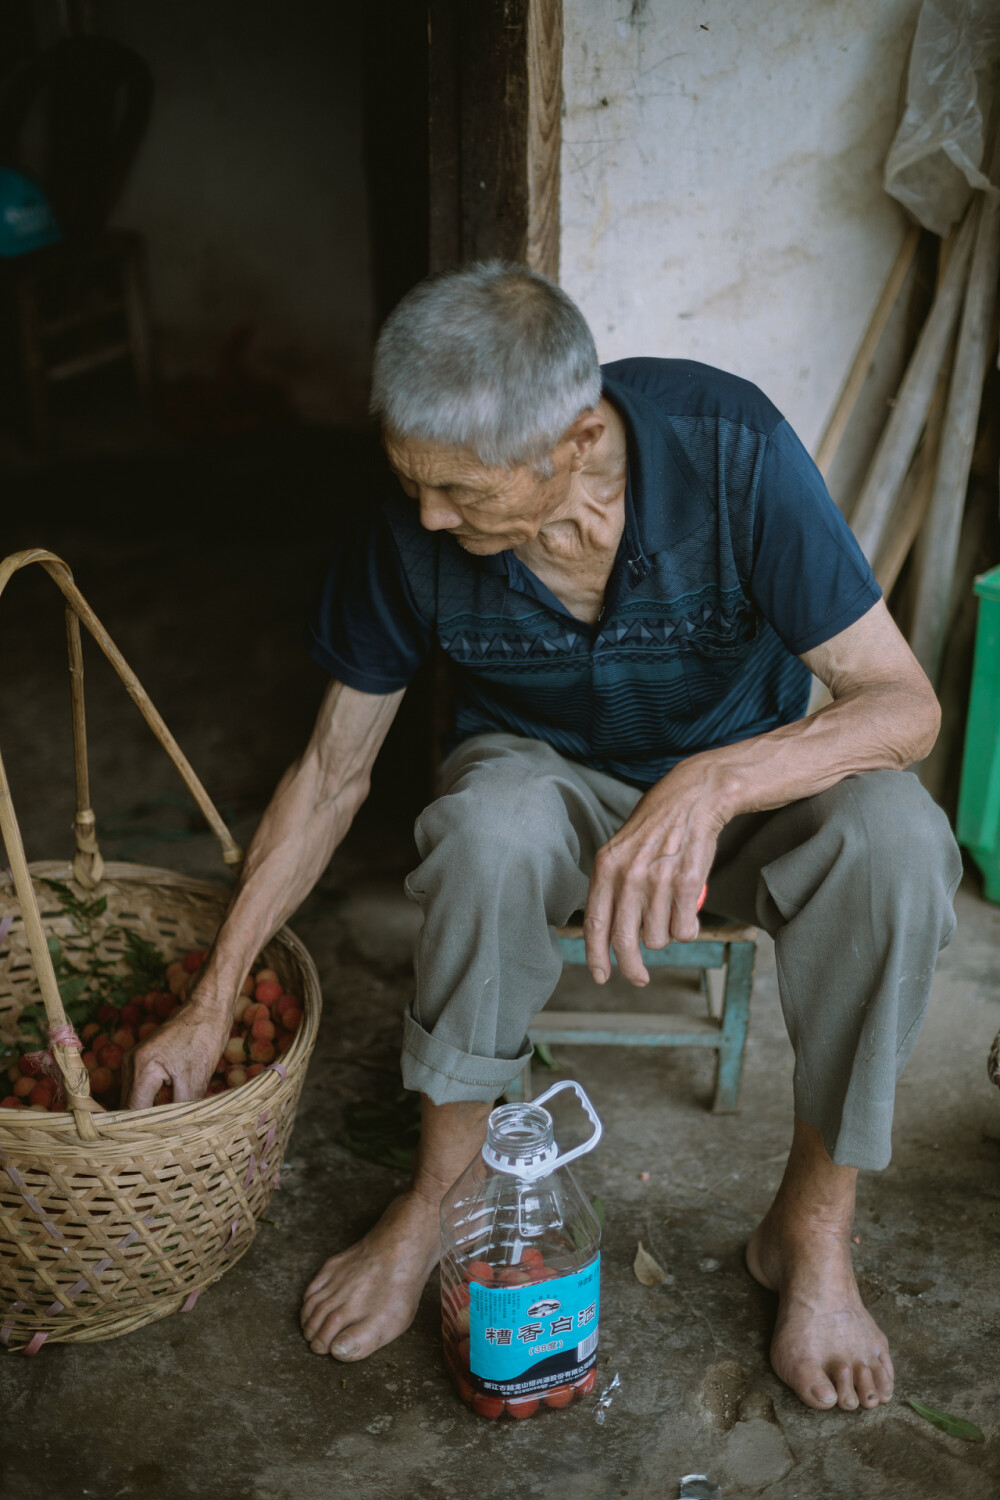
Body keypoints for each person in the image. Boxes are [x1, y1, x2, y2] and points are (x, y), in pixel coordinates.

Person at [128, 262, 961, 1414]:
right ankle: (439, 1195)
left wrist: (709, 785)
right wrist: (217, 990)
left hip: (746, 779)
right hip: (546, 780)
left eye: (458, 493)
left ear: (572, 440)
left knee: (899, 846)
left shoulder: (730, 448)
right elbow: (331, 772)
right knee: (489, 827)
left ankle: (810, 1236)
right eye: (411, 482)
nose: (425, 516)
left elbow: (900, 705)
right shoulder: (411, 533)